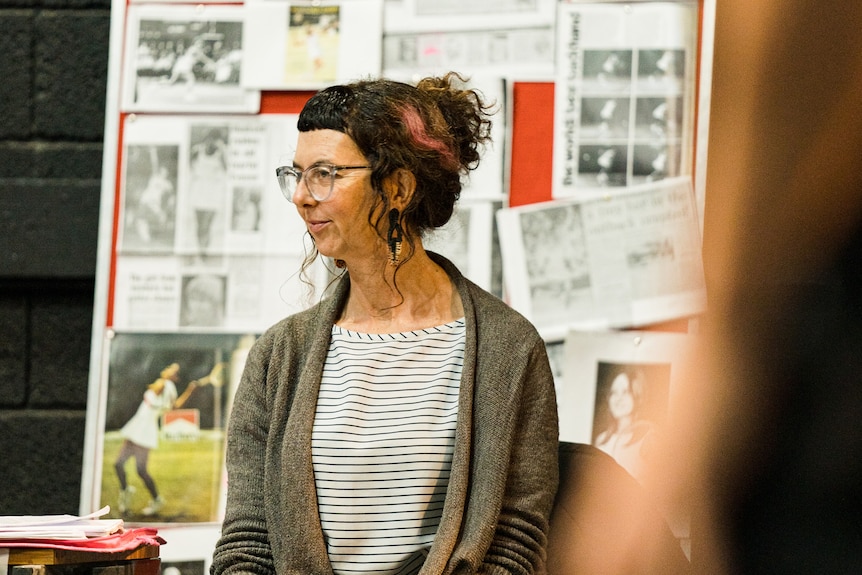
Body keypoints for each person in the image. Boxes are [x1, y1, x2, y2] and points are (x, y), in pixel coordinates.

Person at [210, 72, 559, 575]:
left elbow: (513, 544)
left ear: (397, 187)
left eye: (325, 173)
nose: (302, 196)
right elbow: (248, 542)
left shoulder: (509, 349)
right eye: (297, 173)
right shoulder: (279, 356)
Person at [114, 362, 198, 516]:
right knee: (118, 464)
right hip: (136, 426)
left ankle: (157, 499)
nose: (170, 370)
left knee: (141, 470)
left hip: (146, 431)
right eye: (170, 368)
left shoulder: (169, 386)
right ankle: (125, 492)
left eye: (174, 371)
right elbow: (157, 392)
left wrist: (189, 391)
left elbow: (175, 406)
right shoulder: (160, 384)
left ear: (175, 377)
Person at [593, 366, 655, 483]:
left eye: (625, 392)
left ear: (638, 395)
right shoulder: (601, 440)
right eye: (614, 392)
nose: (618, 398)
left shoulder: (648, 440)